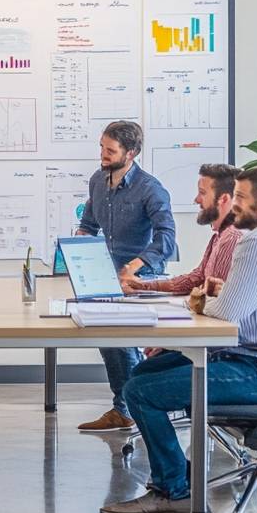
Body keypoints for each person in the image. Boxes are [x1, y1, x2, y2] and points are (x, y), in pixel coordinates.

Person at [100, 167, 257, 513]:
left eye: (240, 200)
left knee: (141, 392)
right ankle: (180, 474)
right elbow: (244, 299)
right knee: (144, 372)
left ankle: (174, 493)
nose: (233, 207)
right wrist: (215, 294)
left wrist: (200, 300)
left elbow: (227, 313)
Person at [74, 121, 176, 433]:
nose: (103, 155)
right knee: (108, 339)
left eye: (110, 150)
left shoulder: (150, 188)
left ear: (130, 153)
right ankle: (125, 407)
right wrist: (78, 244)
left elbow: (167, 239)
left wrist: (133, 267)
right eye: (102, 147)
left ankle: (131, 407)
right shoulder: (97, 180)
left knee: (118, 339)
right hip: (104, 274)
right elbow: (89, 224)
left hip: (140, 276)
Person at [122, 163, 243, 297]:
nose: (196, 200)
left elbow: (211, 295)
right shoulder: (219, 237)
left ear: (224, 199)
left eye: (202, 193)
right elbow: (195, 279)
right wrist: (142, 286)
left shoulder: (231, 238)